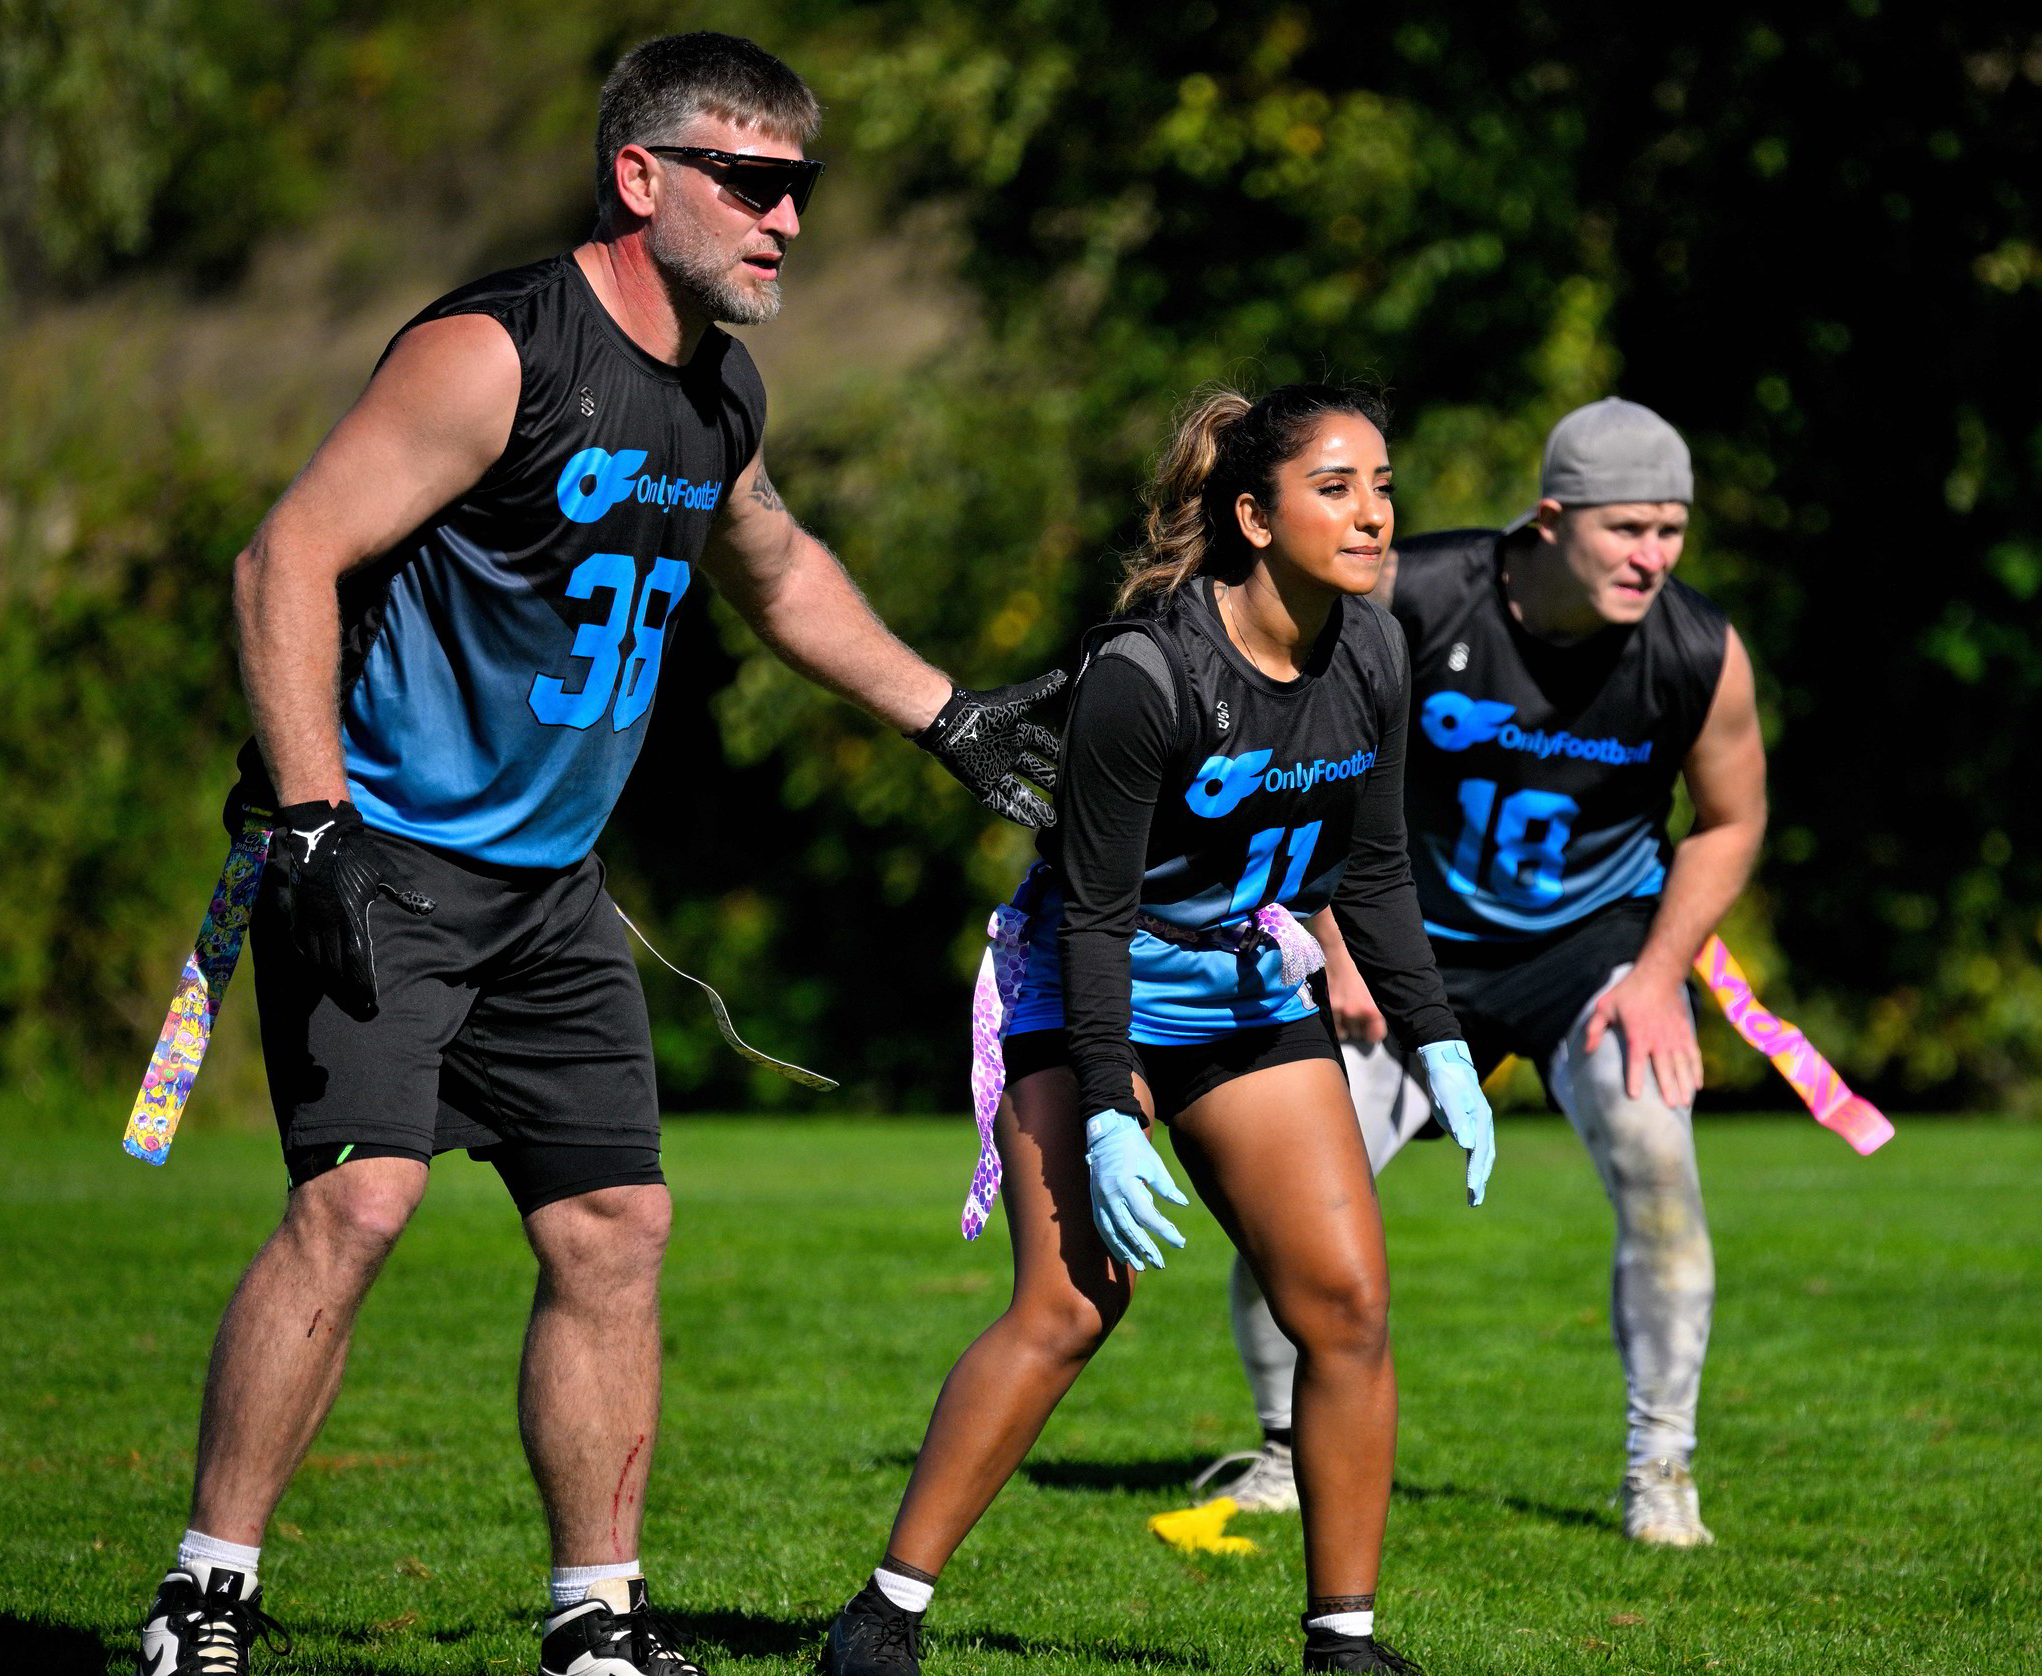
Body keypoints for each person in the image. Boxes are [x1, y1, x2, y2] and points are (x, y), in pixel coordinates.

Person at [133, 32, 1062, 1676]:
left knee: (617, 1225)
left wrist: (949, 719)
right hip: (385, 861)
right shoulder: (500, 353)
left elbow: (772, 571)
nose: (783, 220)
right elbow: (282, 557)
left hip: (551, 891)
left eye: (800, 189)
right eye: (748, 180)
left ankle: (597, 1623)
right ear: (640, 179)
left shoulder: (716, 388)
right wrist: (308, 820)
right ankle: (205, 1595)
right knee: (358, 1206)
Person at [817, 384, 1497, 1676]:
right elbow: (1093, 914)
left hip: (1238, 989)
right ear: (1252, 514)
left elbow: (1374, 871)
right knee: (1074, 1305)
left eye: (1384, 485)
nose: (1373, 514)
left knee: (1348, 1307)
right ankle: (882, 1618)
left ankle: (1343, 1646)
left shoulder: (1375, 650)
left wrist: (1440, 1043)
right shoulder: (1147, 672)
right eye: (1336, 487)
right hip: (1087, 986)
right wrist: (1116, 1112)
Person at [1198, 398, 1767, 1549]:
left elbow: (1728, 819)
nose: (1652, 557)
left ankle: (1660, 1468)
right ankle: (1277, 1447)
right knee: (1288, 1206)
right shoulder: (1411, 594)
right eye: (1626, 530)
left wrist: (1658, 973)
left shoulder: (1695, 648)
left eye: (1670, 530)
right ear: (1552, 519)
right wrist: (1335, 939)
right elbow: (1294, 752)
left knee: (1660, 1169)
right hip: (1402, 941)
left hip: (1590, 953)